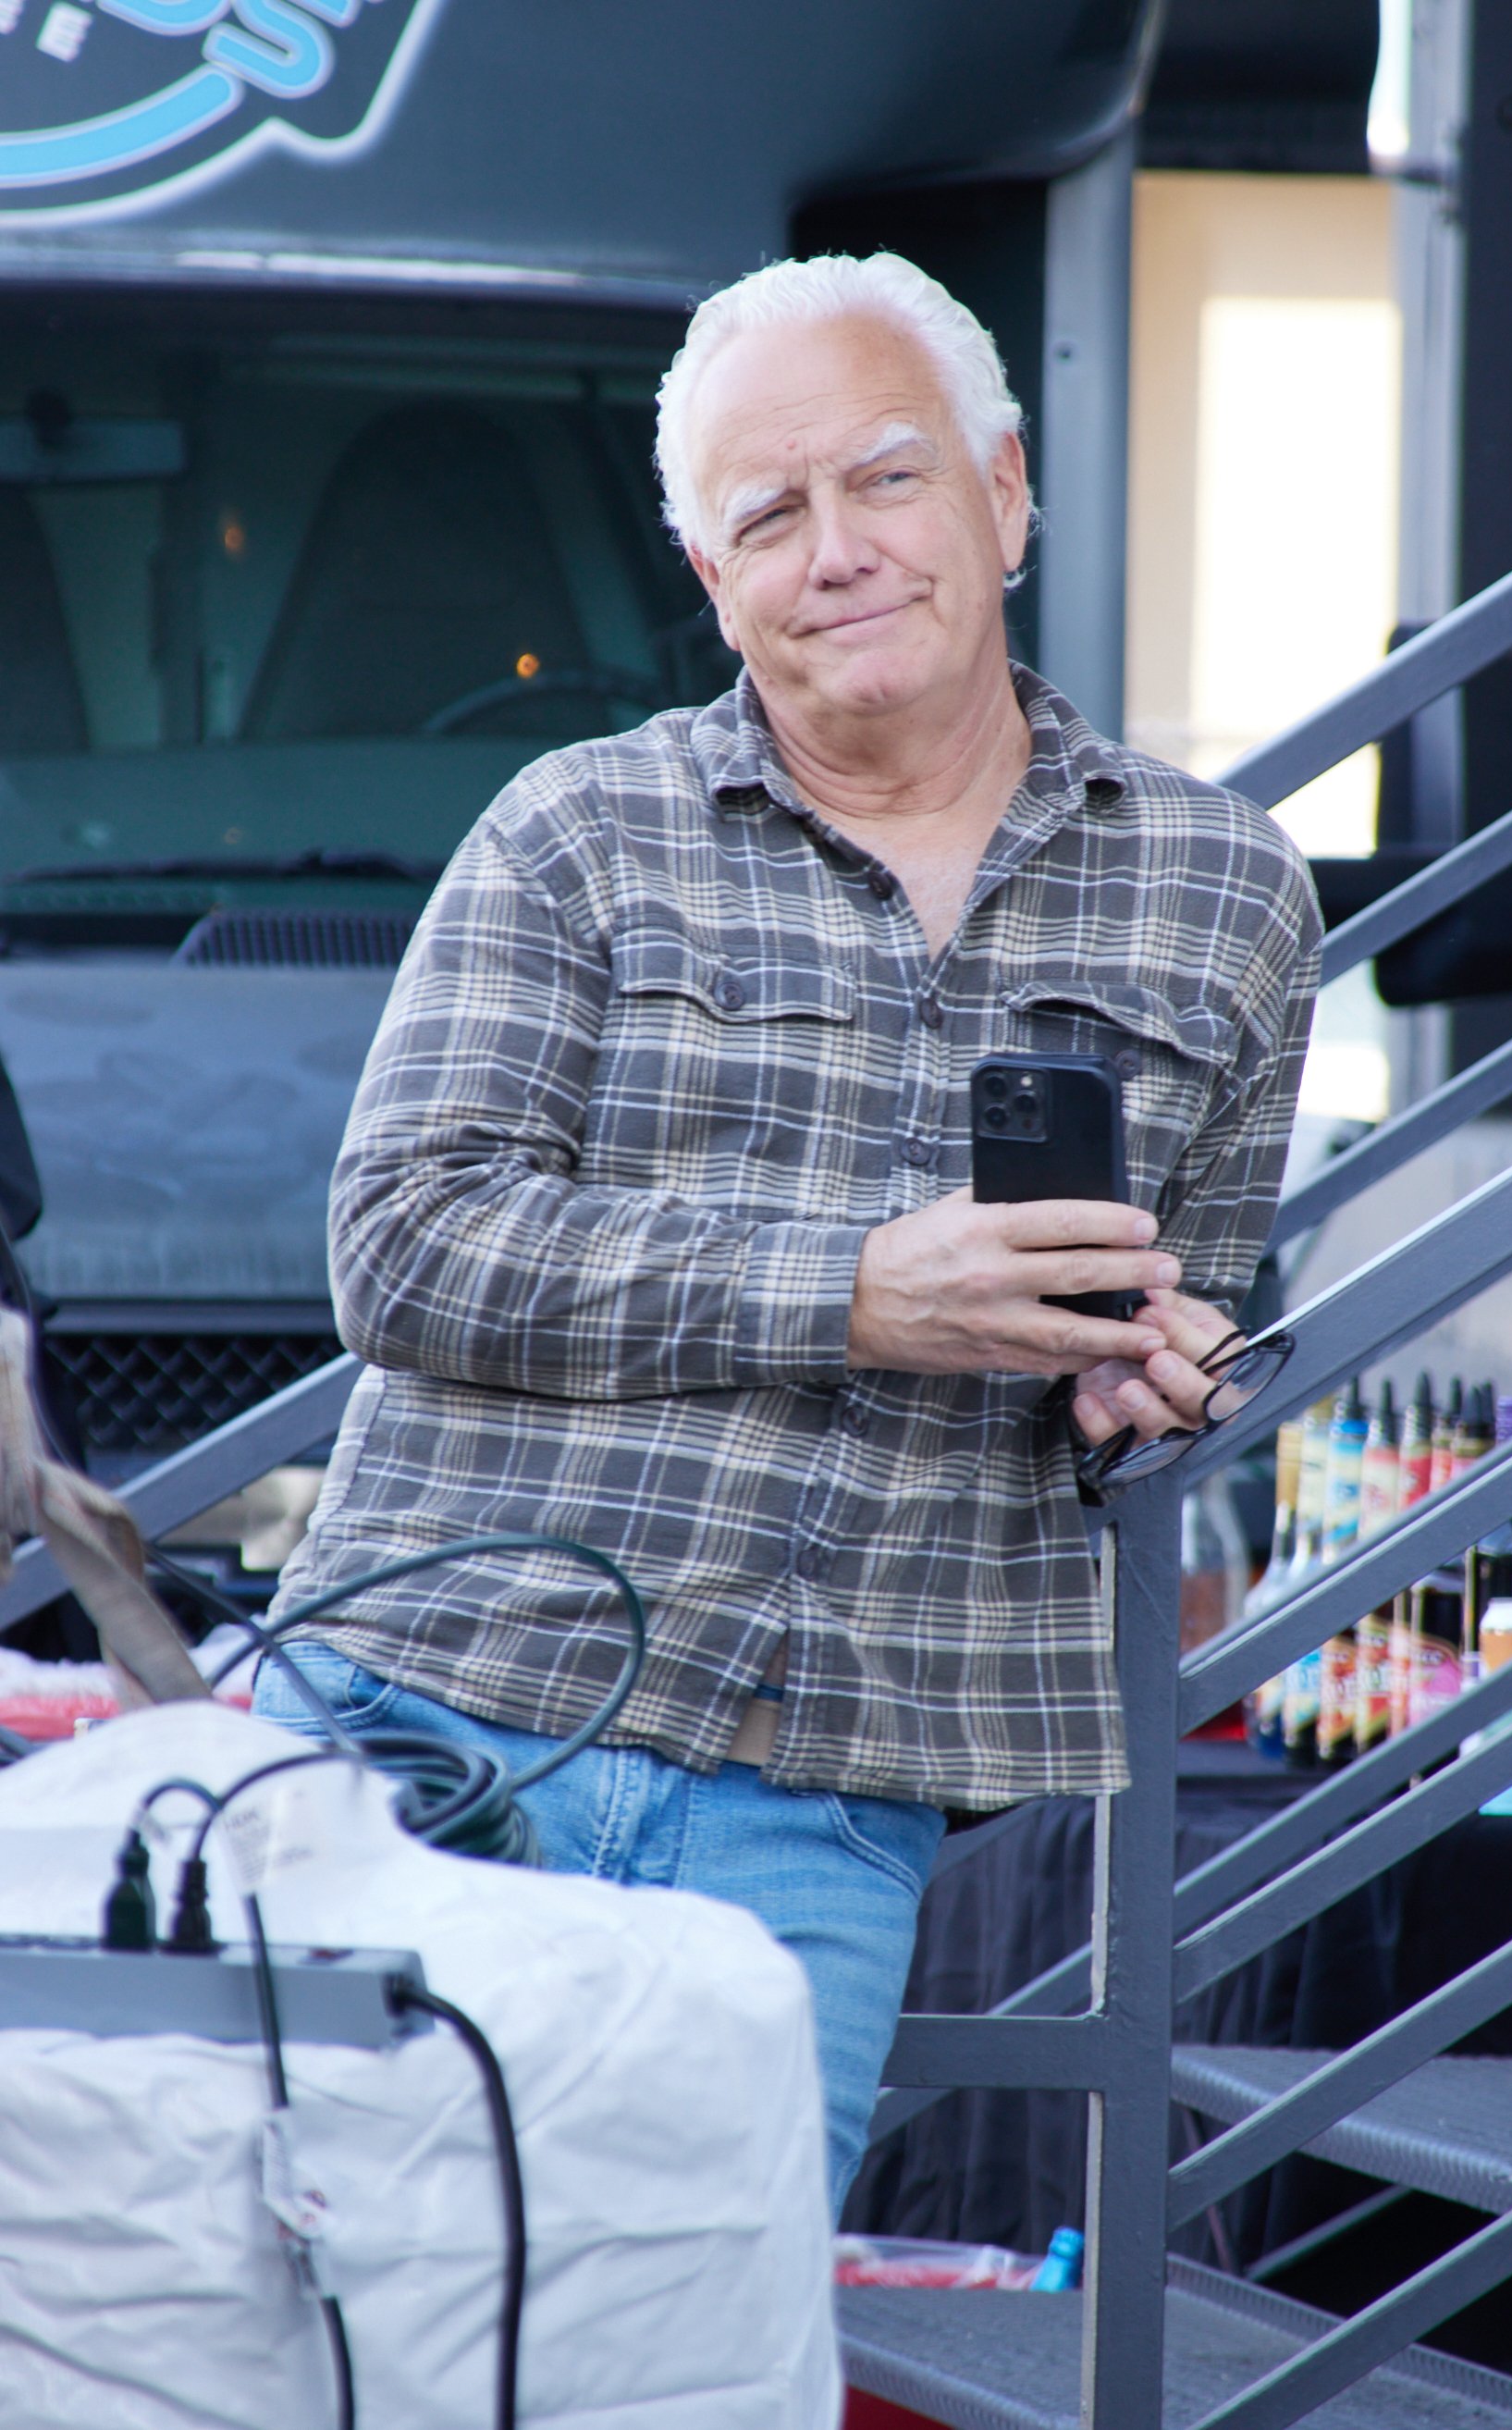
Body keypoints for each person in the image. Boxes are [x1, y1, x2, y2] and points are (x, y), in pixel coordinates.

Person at [254, 252, 1321, 2214]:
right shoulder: (576, 830)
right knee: (301, 2328)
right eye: (770, 513)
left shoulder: (1231, 892)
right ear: (709, 569)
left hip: (823, 1806)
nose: (837, 549)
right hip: (434, 1714)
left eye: (887, 480)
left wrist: (1150, 1378)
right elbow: (397, 1246)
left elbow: (1202, 1310)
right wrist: (847, 1292)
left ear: (1005, 494)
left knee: (683, 2359)